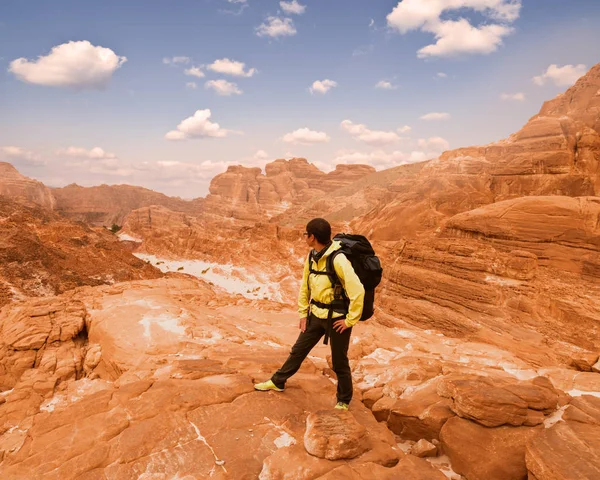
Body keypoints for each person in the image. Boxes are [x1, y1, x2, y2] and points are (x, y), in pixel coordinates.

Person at [254, 218, 365, 410]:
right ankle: (278, 381)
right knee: (298, 351)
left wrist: (349, 320)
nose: (305, 237)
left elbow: (358, 291)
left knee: (339, 362)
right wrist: (303, 314)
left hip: (337, 318)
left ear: (312, 237)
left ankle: (343, 400)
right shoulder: (312, 255)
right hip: (315, 315)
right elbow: (305, 286)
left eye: (306, 234)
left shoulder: (338, 259)